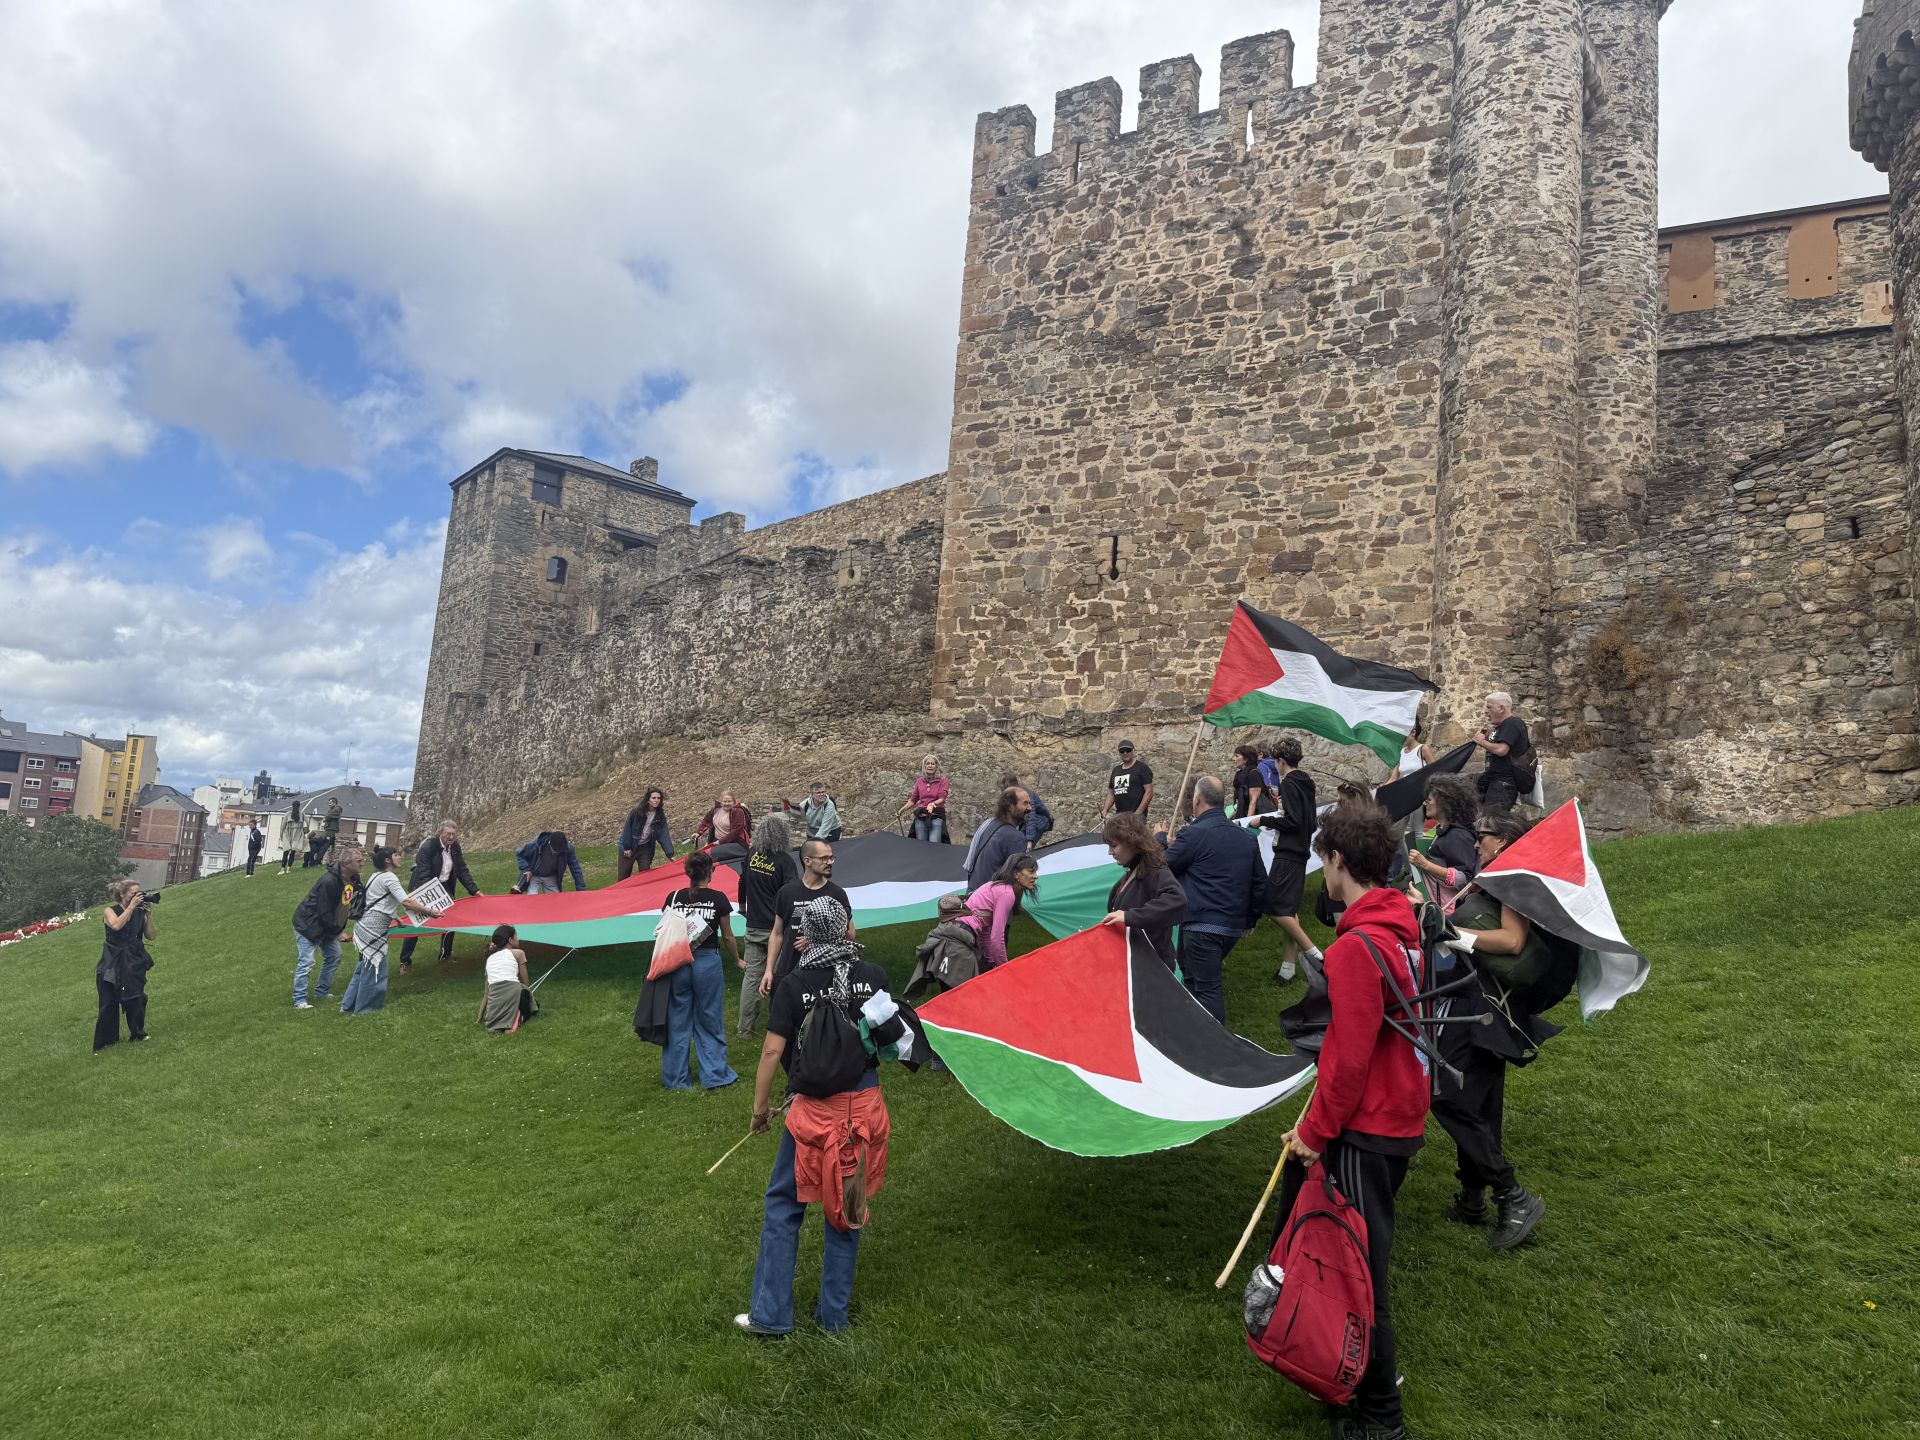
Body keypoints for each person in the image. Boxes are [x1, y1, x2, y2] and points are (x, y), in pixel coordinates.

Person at [1270, 801, 1429, 1440]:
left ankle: (1381, 1420)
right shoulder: (1397, 922)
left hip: (1373, 1123)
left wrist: (1314, 1131)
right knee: (1353, 1258)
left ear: (1338, 861)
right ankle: (1342, 1375)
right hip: (1393, 1114)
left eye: (1323, 864)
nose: (1322, 875)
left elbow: (1348, 1055)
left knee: (1361, 1272)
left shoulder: (1359, 946)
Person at [738, 895, 903, 1337]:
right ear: (847, 928)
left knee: (783, 1203)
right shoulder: (873, 977)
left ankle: (770, 1315)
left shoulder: (793, 984)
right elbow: (892, 1041)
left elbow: (774, 1050)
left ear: (807, 934)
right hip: (864, 1109)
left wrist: (760, 1110)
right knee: (848, 1208)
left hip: (813, 1114)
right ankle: (834, 1319)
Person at [1429, 811, 1552, 1251]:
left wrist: (1453, 933)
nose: (1476, 843)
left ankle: (1511, 1195)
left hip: (1486, 1008)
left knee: (1449, 1098)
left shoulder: (1513, 877)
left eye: (1483, 837)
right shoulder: (1496, 874)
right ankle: (1473, 1198)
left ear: (1504, 840)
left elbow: (1513, 941)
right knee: (1479, 1104)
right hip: (1478, 1001)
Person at [1155, 775, 1267, 1024]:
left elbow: (1163, 867)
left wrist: (1161, 840)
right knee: (1191, 974)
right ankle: (1195, 1031)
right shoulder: (1246, 837)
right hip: (1231, 925)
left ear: (1196, 800)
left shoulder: (1193, 834)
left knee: (1207, 988)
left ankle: (1215, 1049)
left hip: (1202, 924)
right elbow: (1260, 883)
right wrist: (1250, 920)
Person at [909, 852, 1039, 1000]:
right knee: (962, 999)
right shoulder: (1006, 894)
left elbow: (985, 933)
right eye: (1031, 871)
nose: (1036, 876)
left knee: (952, 999)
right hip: (957, 942)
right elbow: (997, 937)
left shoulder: (994, 886)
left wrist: (991, 962)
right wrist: (1005, 968)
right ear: (1016, 873)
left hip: (949, 935)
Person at [660, 850, 740, 1091]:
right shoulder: (718, 899)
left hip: (678, 960)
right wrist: (737, 960)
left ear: (687, 872)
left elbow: (664, 930)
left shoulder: (674, 897)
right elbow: (727, 936)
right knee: (709, 1016)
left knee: (677, 1018)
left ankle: (676, 1079)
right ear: (711, 872)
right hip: (707, 962)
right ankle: (715, 1074)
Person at [341, 846, 444, 1015]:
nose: (400, 857)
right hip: (373, 929)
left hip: (365, 926)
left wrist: (395, 917)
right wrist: (431, 912)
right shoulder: (389, 878)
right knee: (375, 970)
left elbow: (379, 902)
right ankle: (365, 1010)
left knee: (363, 968)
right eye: (396, 854)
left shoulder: (376, 876)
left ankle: (348, 1005)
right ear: (387, 860)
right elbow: (407, 902)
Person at [1256, 737, 1322, 983]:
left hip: (1289, 852)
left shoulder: (1289, 784)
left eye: (1276, 761)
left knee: (1273, 907)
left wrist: (1263, 820)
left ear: (1281, 761)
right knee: (1289, 911)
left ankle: (1316, 955)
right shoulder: (1307, 783)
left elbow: (1292, 820)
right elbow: (1309, 821)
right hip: (1300, 851)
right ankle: (1288, 969)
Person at [762, 840, 855, 996]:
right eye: (824, 858)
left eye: (831, 858)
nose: (830, 862)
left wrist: (817, 941)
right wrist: (769, 970)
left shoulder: (837, 894)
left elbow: (850, 935)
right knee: (783, 1019)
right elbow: (777, 934)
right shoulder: (786, 893)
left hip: (825, 975)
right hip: (788, 970)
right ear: (807, 861)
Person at [1098, 812, 1185, 970]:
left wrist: (1130, 916)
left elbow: (1177, 900)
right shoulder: (1135, 872)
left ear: (1131, 843)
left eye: (1114, 845)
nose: (1110, 852)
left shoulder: (1156, 871)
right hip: (1134, 964)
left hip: (1152, 968)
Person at [738, 814, 797, 1035]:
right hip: (777, 929)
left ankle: (745, 1029)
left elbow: (742, 880)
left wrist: (742, 907)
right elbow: (791, 893)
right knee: (780, 976)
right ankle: (778, 1026)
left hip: (753, 925)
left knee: (752, 977)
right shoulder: (785, 862)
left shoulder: (751, 854)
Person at [397, 821, 483, 973]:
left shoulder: (455, 847)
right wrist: (431, 901)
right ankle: (405, 961)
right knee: (417, 923)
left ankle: (445, 955)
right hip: (423, 887)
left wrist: (474, 891)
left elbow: (462, 870)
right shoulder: (428, 847)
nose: (451, 837)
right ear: (440, 833)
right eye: (448, 833)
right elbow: (424, 874)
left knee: (450, 920)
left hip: (444, 887)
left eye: (453, 834)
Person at [292, 847, 360, 1009]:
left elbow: (349, 902)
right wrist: (338, 932)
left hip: (327, 926)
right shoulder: (328, 881)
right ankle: (299, 1000)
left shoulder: (354, 879)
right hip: (309, 925)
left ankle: (321, 992)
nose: (362, 864)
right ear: (346, 863)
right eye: (359, 861)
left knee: (334, 956)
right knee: (307, 962)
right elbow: (324, 911)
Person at [1406, 774, 1480, 913]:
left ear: (1445, 802)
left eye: (1429, 799)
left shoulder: (1458, 835)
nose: (1424, 803)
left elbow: (1465, 879)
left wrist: (1425, 864)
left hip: (1445, 912)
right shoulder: (1445, 831)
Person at [94, 879, 154, 1050]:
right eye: (133, 893)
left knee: (136, 996)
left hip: (134, 960)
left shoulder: (139, 912)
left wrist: (148, 916)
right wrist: (131, 908)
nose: (138, 896)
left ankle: (138, 1033)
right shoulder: (109, 911)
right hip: (112, 960)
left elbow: (151, 935)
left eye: (139, 893)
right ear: (123, 894)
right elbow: (116, 925)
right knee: (109, 1000)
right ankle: (106, 1042)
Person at [1473, 691, 1532, 814]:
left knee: (1492, 823)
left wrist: (1482, 742)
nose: (1486, 711)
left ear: (1501, 708)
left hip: (1503, 784)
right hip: (1494, 780)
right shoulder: (1502, 726)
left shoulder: (1512, 723)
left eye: (1489, 707)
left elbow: (1501, 750)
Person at [963, 786, 1032, 891]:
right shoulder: (1015, 837)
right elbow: (1018, 881)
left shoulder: (988, 825)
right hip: (990, 901)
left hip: (974, 896)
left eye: (1029, 803)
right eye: (1025, 803)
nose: (1030, 808)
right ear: (1010, 806)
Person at [479, 924, 538, 1032]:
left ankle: (505, 1022)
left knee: (494, 1028)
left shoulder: (489, 959)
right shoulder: (519, 953)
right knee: (523, 992)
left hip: (494, 1000)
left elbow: (487, 993)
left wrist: (479, 1018)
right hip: (512, 992)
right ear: (510, 940)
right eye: (517, 936)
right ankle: (518, 1017)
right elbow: (526, 984)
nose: (518, 938)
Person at [619, 789, 673, 878]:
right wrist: (627, 847)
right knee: (623, 876)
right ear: (648, 799)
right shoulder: (637, 811)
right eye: (653, 798)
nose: (656, 800)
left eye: (658, 798)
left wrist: (670, 853)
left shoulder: (660, 814)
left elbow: (663, 834)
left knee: (646, 875)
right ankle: (620, 892)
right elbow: (627, 829)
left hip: (645, 848)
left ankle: (643, 891)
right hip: (630, 846)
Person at [1100, 739, 1154, 821]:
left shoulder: (1142, 768)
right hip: (1119, 816)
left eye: (1128, 750)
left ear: (1133, 751)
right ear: (1119, 752)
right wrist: (1105, 810)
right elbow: (1111, 793)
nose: (1125, 753)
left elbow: (1149, 791)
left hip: (1136, 816)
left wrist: (1138, 813)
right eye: (1122, 751)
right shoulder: (1116, 770)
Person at [899, 754, 949, 842]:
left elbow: (942, 798)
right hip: (921, 817)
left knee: (934, 843)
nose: (930, 765)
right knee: (921, 845)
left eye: (933, 764)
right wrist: (901, 810)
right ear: (924, 766)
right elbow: (913, 800)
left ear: (936, 766)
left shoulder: (942, 780)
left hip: (936, 816)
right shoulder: (920, 781)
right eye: (928, 763)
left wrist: (933, 804)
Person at [516, 830, 585, 893]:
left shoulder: (568, 848)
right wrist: (526, 869)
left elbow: (575, 868)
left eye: (560, 850)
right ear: (549, 844)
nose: (557, 852)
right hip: (534, 875)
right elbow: (520, 854)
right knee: (531, 898)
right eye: (555, 850)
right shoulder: (535, 844)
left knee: (556, 900)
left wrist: (581, 889)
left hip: (550, 876)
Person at [1004, 772, 1053, 846]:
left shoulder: (1025, 795)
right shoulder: (1011, 796)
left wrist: (1029, 840)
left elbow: (1031, 817)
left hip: (1039, 820)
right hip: (1024, 822)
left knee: (1022, 846)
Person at [1231, 744, 1275, 819]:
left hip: (1256, 817)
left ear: (1246, 759)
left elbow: (1253, 800)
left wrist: (1247, 822)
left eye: (1237, 756)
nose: (1233, 759)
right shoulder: (1240, 775)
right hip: (1244, 814)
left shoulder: (1253, 773)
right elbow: (1240, 803)